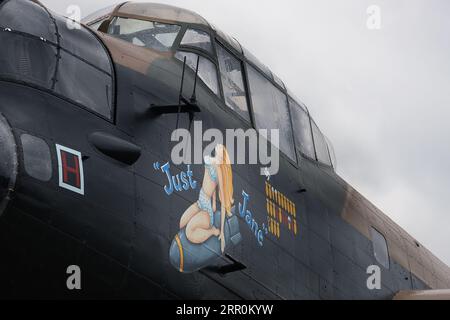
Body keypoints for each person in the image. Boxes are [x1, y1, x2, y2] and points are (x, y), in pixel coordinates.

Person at [179, 144, 233, 253]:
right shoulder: (209, 160)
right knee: (181, 223)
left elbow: (222, 203)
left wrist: (222, 231)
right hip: (200, 201)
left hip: (206, 210)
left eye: (221, 149)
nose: (218, 146)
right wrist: (214, 202)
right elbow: (210, 184)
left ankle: (212, 231)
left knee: (189, 232)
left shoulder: (220, 172)